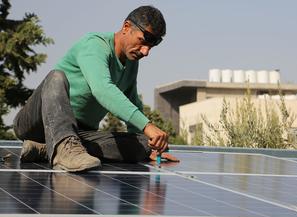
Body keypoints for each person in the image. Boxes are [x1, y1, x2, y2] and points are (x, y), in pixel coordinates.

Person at [13, 5, 178, 172]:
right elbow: (102, 89)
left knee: (142, 144)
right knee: (56, 77)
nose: (146, 51)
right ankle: (62, 149)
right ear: (126, 27)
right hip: (37, 122)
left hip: (79, 133)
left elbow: (131, 100)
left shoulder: (131, 62)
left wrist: (148, 148)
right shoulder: (95, 45)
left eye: (151, 46)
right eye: (143, 41)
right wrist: (147, 126)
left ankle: (45, 149)